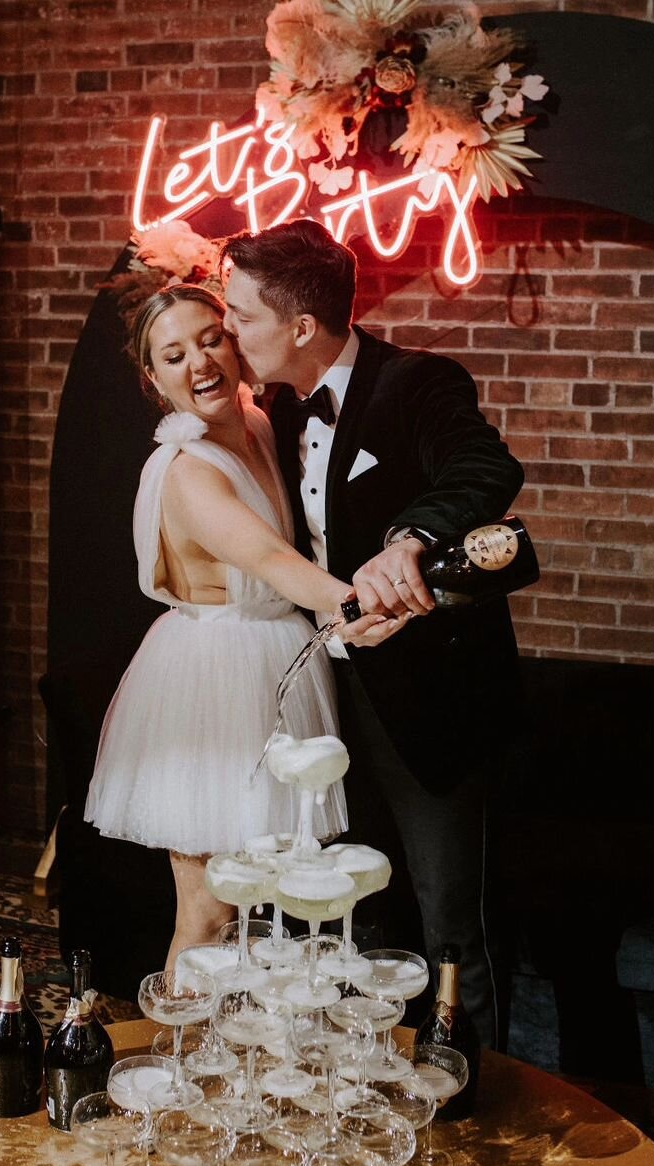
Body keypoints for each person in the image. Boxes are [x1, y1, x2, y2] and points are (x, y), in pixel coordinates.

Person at [222, 220, 525, 1048]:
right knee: (354, 914)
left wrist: (411, 539)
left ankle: (474, 1093)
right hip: (327, 704)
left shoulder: (417, 382)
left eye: (240, 314)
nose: (228, 330)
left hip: (433, 710)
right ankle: (370, 1091)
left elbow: (484, 469)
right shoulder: (275, 414)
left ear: (300, 329)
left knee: (451, 923)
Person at [83, 283, 378, 972]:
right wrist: (360, 607)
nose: (201, 363)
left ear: (235, 341)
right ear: (155, 381)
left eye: (210, 338)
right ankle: (186, 1065)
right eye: (174, 354)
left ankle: (241, 1059)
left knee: (267, 901)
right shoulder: (187, 473)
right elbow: (272, 559)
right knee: (211, 909)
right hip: (210, 682)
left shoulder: (260, 424)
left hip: (276, 665)